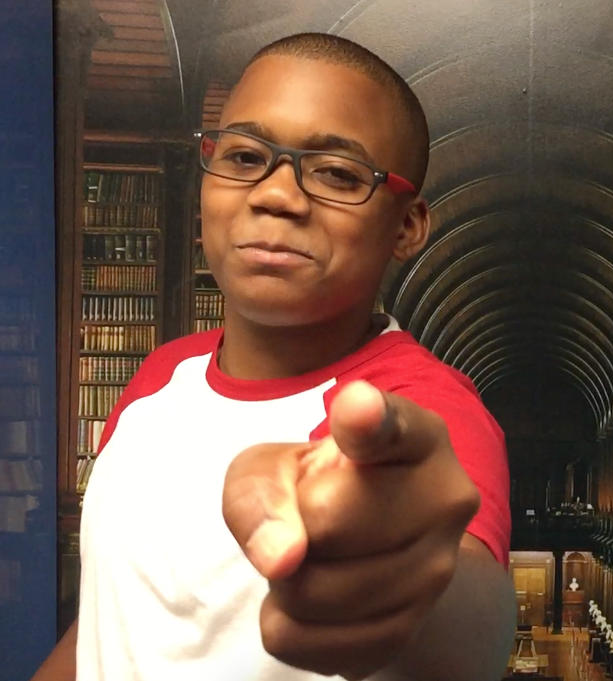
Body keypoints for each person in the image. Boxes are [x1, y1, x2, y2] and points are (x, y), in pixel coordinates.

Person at [31, 32, 515, 681]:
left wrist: (421, 591)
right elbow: (106, 627)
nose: (276, 194)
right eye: (243, 156)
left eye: (336, 172)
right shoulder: (160, 375)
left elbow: (466, 629)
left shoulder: (416, 410)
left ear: (407, 226)